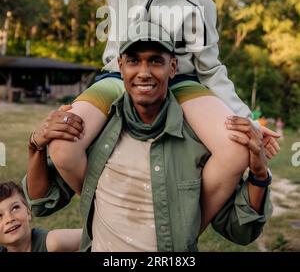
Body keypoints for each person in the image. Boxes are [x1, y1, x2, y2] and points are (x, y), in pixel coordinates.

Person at [0, 0, 279, 230]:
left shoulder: (201, 3)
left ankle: (188, 225)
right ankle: (108, 219)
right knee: (64, 146)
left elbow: (212, 70)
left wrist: (247, 120)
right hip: (117, 75)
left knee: (235, 150)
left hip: (181, 82)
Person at [23, 22, 273, 252]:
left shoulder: (200, 142)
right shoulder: (94, 134)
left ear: (173, 68)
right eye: (133, 61)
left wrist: (260, 176)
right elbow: (41, 202)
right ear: (120, 67)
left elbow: (241, 230)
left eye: (155, 61)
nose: (144, 72)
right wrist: (36, 145)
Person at [0, 181, 82, 252]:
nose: (9, 219)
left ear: (28, 212)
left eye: (15, 208)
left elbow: (90, 234)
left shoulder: (52, 242)